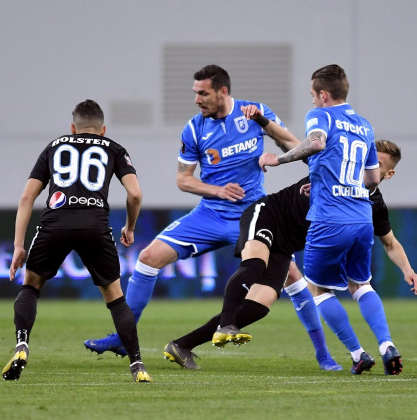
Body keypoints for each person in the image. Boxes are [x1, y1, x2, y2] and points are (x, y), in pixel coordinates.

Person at [84, 64, 300, 356]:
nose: (196, 99)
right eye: (195, 93)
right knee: (147, 258)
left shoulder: (254, 112)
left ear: (222, 92)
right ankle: (125, 336)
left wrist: (263, 122)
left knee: (292, 277)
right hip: (210, 214)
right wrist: (217, 190)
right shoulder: (194, 128)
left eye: (203, 93)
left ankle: (326, 356)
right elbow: (183, 180)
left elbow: (293, 144)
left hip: (253, 214)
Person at [164, 140, 412, 375]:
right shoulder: (334, 170)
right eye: (368, 159)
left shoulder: (372, 204)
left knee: (258, 308)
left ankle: (182, 345)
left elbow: (390, 242)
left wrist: (408, 270)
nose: (368, 166)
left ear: (388, 174)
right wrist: (271, 138)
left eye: (377, 164)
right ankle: (227, 324)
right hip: (267, 217)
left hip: (286, 245)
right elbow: (301, 146)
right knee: (255, 265)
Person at [258, 64, 399, 375]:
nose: (311, 101)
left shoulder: (320, 116)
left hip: (330, 219)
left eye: (312, 95)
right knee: (361, 284)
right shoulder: (364, 125)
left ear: (323, 94)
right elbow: (373, 177)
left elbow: (317, 142)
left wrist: (278, 159)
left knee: (319, 289)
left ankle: (358, 353)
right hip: (362, 217)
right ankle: (387, 344)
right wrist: (333, 181)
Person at [2, 99, 151, 382]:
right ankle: (138, 366)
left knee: (31, 285)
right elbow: (135, 195)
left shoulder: (54, 147)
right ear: (103, 129)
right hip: (95, 224)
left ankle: (22, 344)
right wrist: (130, 227)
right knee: (116, 298)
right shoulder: (115, 149)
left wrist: (18, 245)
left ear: (73, 128)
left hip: (55, 221)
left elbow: (26, 197)